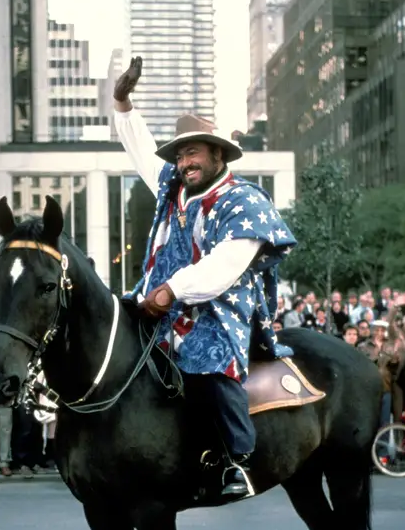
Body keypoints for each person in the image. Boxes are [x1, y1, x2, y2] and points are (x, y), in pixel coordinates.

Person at [113, 57, 297, 500]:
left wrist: (172, 290)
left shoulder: (243, 201)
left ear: (218, 154)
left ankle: (238, 461)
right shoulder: (174, 187)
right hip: (158, 300)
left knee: (210, 359)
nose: (184, 162)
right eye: (179, 154)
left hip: (218, 308)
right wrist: (122, 102)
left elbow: (224, 267)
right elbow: (140, 147)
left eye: (192, 152)